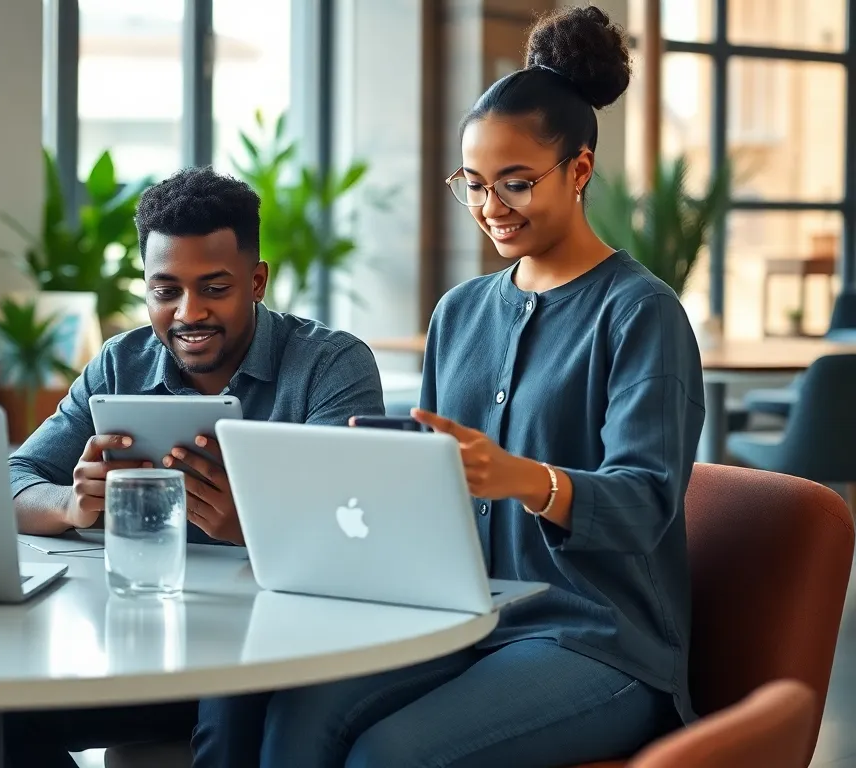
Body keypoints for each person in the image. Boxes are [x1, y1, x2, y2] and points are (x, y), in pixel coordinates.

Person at [192, 6, 706, 767]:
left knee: (388, 755)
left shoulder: (640, 314)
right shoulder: (461, 312)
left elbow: (647, 503)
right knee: (291, 718)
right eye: (473, 184)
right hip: (460, 617)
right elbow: (433, 490)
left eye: (516, 183)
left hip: (599, 641)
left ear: (580, 170)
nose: (491, 209)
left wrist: (522, 480)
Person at [2, 165, 387, 765]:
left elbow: (355, 525)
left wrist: (247, 524)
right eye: (166, 291)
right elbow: (10, 480)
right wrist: (70, 504)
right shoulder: (119, 365)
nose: (188, 313)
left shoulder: (330, 366)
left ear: (256, 280)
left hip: (272, 642)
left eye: (214, 287)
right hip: (142, 639)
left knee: (228, 705)